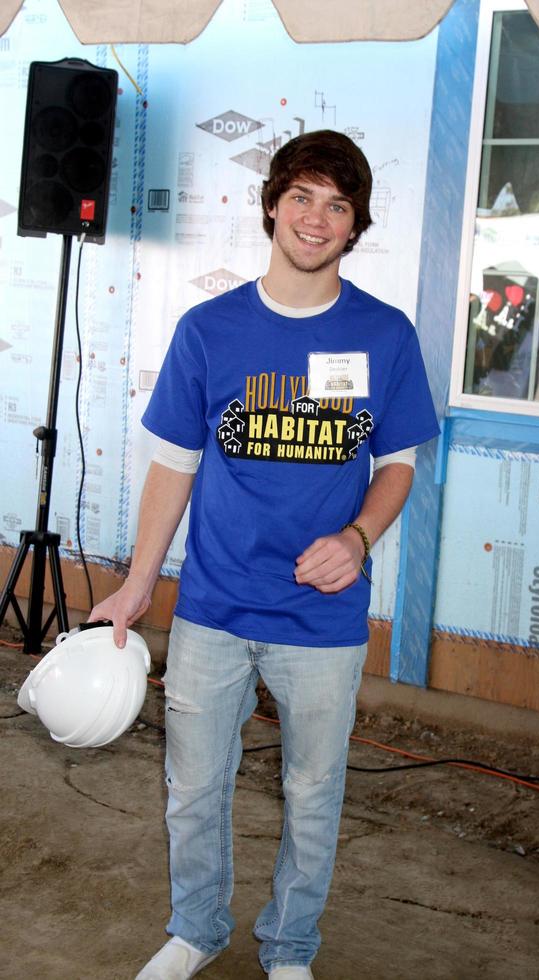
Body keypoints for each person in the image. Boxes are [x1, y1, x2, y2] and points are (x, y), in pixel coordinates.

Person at [90, 129, 438, 980]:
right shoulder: (210, 329)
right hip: (213, 606)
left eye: (337, 205)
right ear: (272, 206)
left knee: (314, 796)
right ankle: (197, 930)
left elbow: (399, 464)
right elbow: (174, 468)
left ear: (354, 226)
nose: (315, 219)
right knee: (192, 790)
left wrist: (357, 538)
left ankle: (289, 950)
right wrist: (139, 586)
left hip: (322, 619)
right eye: (301, 198)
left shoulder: (383, 335)